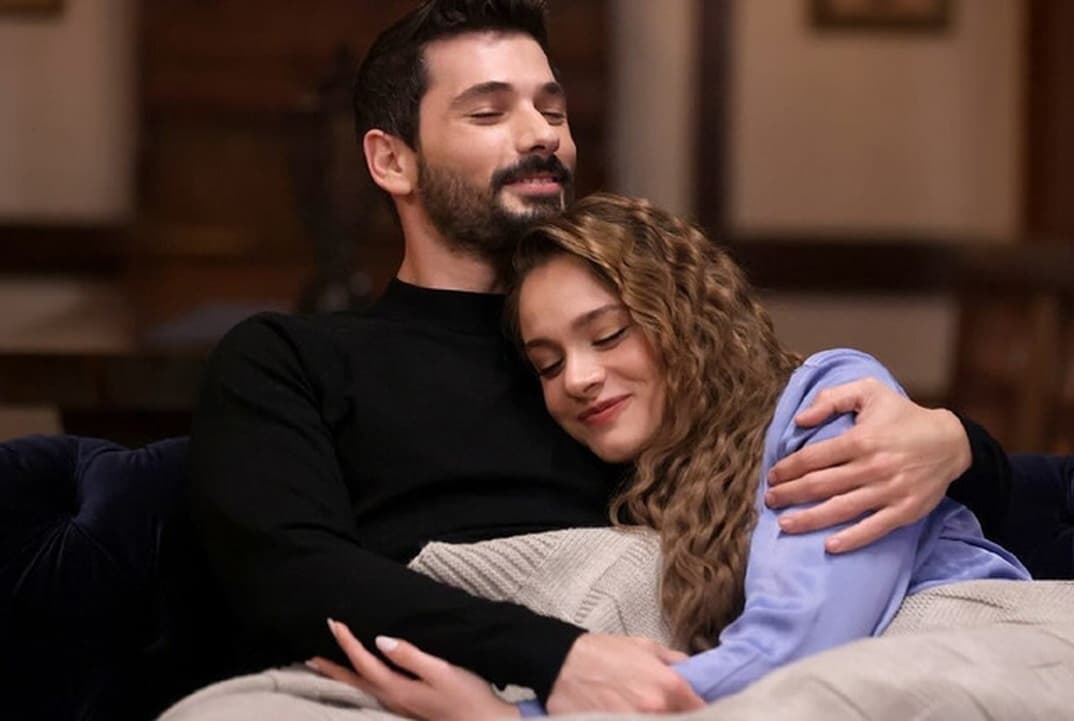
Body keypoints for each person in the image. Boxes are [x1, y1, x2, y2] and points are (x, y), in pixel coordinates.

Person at [183, 0, 1013, 715]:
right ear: (391, 159)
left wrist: (959, 445)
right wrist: (557, 657)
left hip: (668, 676)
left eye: (552, 108)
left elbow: (800, 467)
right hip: (463, 680)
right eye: (489, 112)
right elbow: (289, 570)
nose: (540, 133)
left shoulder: (651, 342)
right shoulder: (292, 359)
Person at [308, 193, 1030, 720]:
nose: (578, 378)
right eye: (547, 363)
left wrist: (512, 717)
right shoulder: (647, 486)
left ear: (686, 318)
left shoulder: (829, 401)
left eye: (608, 334)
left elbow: (797, 649)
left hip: (988, 661)